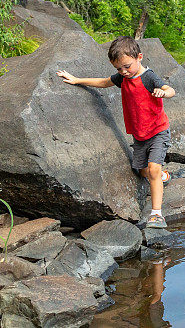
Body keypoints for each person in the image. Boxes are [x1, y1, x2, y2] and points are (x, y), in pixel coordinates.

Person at [56, 36, 176, 228]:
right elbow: (104, 82)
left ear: (139, 57)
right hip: (139, 135)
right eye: (119, 69)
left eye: (127, 66)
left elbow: (170, 89)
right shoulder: (123, 78)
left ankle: (156, 214)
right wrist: (77, 80)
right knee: (143, 171)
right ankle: (162, 177)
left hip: (158, 131)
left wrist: (164, 92)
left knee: (152, 168)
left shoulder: (148, 77)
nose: (123, 72)